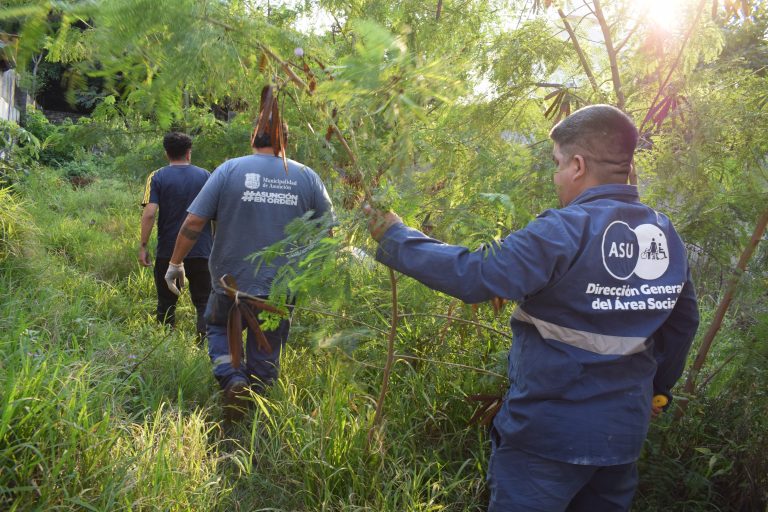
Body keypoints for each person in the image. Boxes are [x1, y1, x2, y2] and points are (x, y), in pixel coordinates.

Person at [364, 105, 699, 511]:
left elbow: (474, 275)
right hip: (621, 438)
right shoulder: (664, 236)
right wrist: (657, 390)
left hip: (548, 438)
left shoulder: (563, 230)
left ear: (577, 165)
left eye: (557, 163)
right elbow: (683, 324)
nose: (556, 175)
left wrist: (396, 237)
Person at [165, 87, 334, 415]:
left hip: (230, 282)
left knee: (216, 327)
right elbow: (326, 234)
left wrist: (175, 263)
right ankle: (258, 406)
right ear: (287, 141)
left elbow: (194, 223)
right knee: (266, 345)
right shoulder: (307, 177)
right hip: (281, 287)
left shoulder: (229, 170)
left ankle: (232, 379)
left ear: (252, 137)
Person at [139, 132, 213, 340]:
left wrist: (143, 246)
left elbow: (150, 213)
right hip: (201, 249)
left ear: (166, 154)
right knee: (204, 301)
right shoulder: (206, 176)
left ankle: (165, 343)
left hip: (168, 251)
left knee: (166, 302)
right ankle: (203, 346)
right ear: (189, 153)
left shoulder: (157, 176)